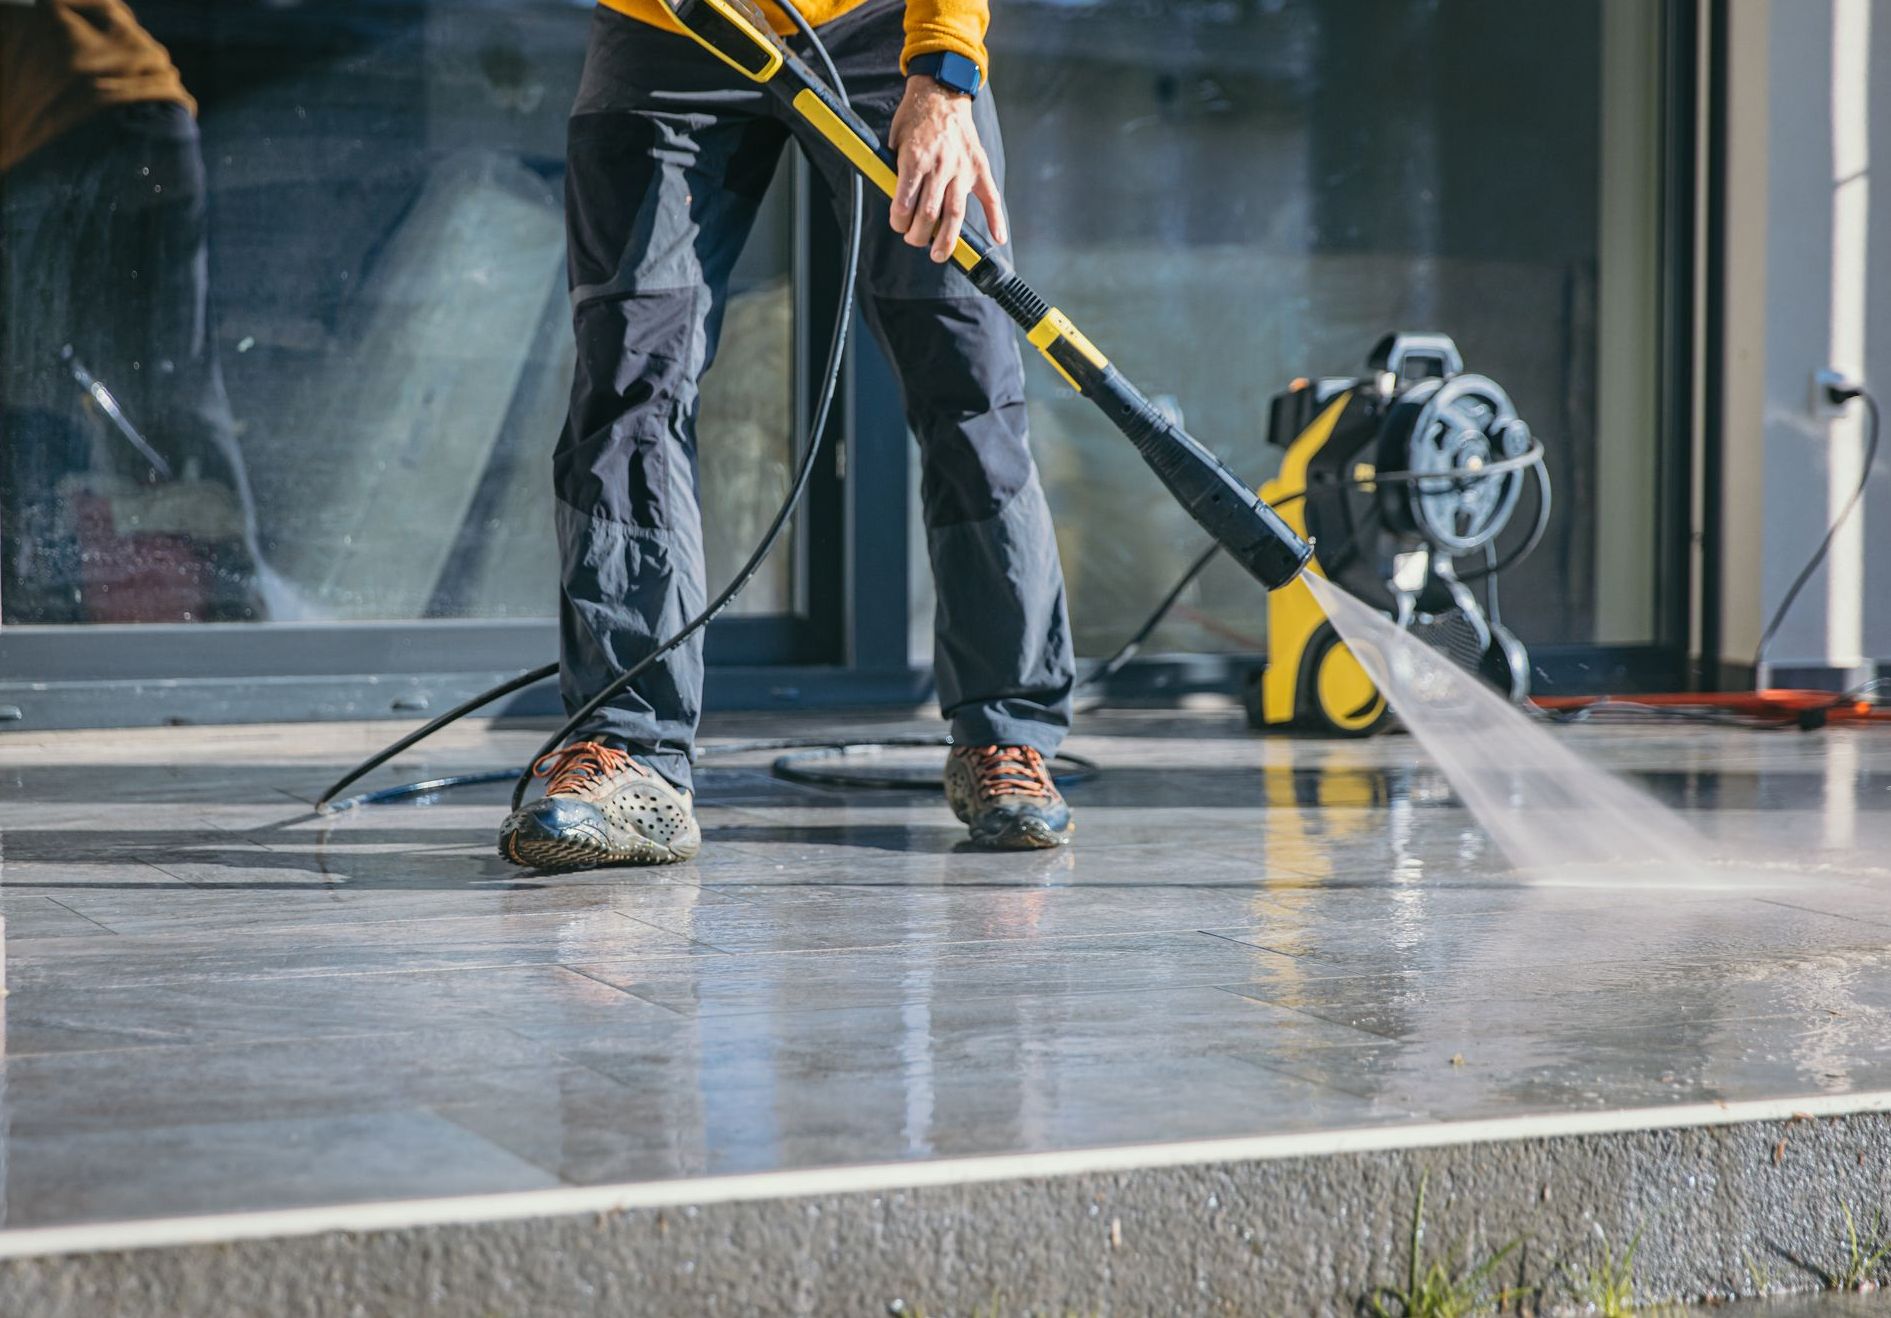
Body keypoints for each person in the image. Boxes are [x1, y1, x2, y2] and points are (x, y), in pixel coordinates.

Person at [498, 0, 1076, 869]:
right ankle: (626, 747)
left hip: (888, 31)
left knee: (968, 382)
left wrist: (946, 74)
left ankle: (1005, 730)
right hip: (668, 29)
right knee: (629, 387)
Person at [0, 0, 265, 626]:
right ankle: (237, 609)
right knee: (170, 391)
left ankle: (43, 615)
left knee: (30, 397)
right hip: (135, 115)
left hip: (67, 121)